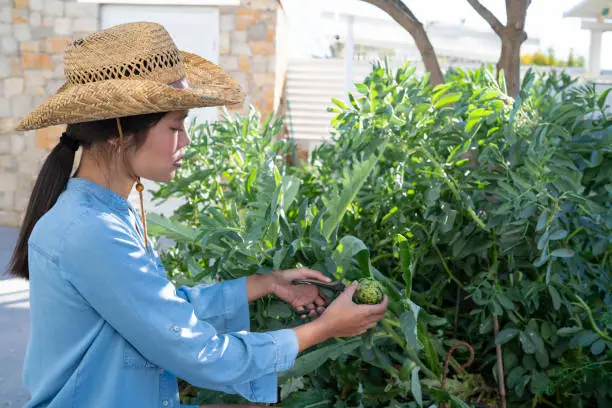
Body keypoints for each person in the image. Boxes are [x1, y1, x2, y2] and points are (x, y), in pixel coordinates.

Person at [7, 22, 388, 408]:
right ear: (118, 130)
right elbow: (197, 350)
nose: (185, 141)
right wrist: (324, 329)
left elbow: (161, 308)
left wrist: (266, 283)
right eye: (176, 126)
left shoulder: (109, 212)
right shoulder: (91, 231)